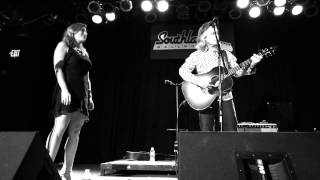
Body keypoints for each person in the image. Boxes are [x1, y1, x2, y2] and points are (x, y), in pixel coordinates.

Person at [179, 20, 262, 132]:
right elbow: (183, 71)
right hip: (205, 97)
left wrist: (252, 63)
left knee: (231, 131)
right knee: (206, 134)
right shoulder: (197, 55)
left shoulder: (226, 54)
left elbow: (238, 72)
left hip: (225, 96)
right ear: (204, 37)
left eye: (217, 33)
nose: (216, 35)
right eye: (213, 33)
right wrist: (198, 81)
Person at [46, 22, 94, 180]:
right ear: (72, 32)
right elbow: (57, 68)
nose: (85, 33)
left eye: (86, 31)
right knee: (59, 131)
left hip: (81, 96)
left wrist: (90, 96)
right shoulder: (63, 45)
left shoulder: (84, 51)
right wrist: (65, 89)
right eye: (82, 30)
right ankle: (46, 170)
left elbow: (87, 76)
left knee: (75, 133)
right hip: (66, 92)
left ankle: (66, 172)